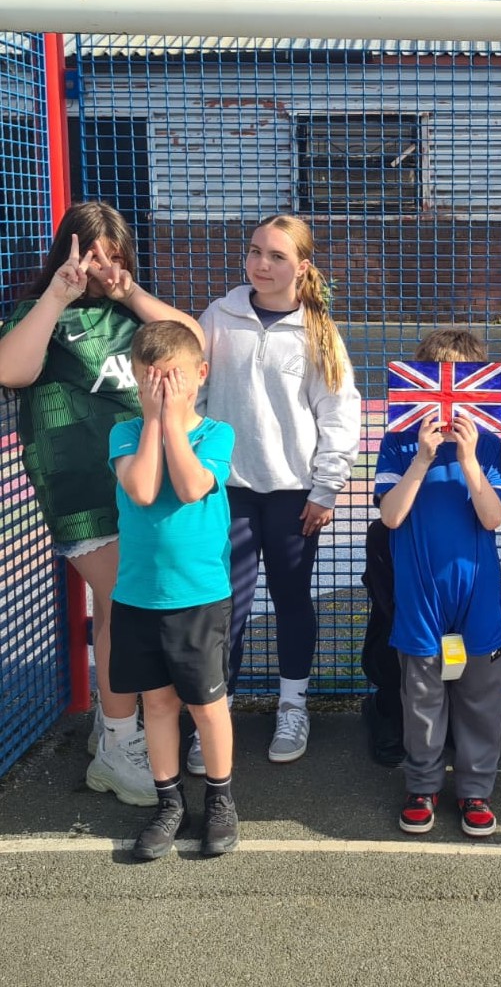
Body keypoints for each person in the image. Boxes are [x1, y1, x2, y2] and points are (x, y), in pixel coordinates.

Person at [0, 201, 203, 807]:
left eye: (113, 256)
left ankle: (114, 729)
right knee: (123, 611)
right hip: (81, 488)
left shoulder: (132, 314)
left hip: (142, 485)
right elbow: (12, 370)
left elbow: (193, 344)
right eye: (91, 255)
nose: (100, 268)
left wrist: (130, 290)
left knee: (128, 612)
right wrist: (58, 295)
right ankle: (117, 747)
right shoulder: (42, 312)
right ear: (66, 251)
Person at [194, 215, 360, 770]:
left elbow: (338, 413)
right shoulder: (219, 317)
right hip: (228, 490)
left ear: (302, 267)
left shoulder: (318, 331)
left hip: (294, 494)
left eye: (277, 256)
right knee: (227, 606)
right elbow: (196, 394)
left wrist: (326, 487)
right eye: (255, 251)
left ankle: (293, 706)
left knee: (292, 600)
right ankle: (216, 715)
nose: (261, 264)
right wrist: (197, 466)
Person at [374, 328, 501, 838]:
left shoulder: (488, 445)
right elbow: (391, 516)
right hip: (420, 596)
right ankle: (423, 786)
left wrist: (471, 461)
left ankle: (475, 789)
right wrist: (421, 459)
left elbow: (492, 517)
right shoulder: (399, 442)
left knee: (480, 699)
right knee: (422, 697)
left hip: (476, 595)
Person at [109, 320, 238, 860]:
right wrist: (153, 420)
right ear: (135, 379)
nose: (161, 388)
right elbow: (141, 489)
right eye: (150, 379)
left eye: (173, 378)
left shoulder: (216, 434)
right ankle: (169, 803)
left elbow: (188, 487)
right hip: (139, 596)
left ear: (200, 374)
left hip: (198, 597)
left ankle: (220, 800)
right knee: (157, 704)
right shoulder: (123, 433)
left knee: (206, 705)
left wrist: (171, 425)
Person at [360, 516, 501, 767]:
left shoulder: (471, 524)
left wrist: (487, 612)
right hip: (408, 629)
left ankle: (460, 714)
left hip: (462, 626)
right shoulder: (384, 531)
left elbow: (481, 580)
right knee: (403, 648)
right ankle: (387, 711)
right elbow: (391, 605)